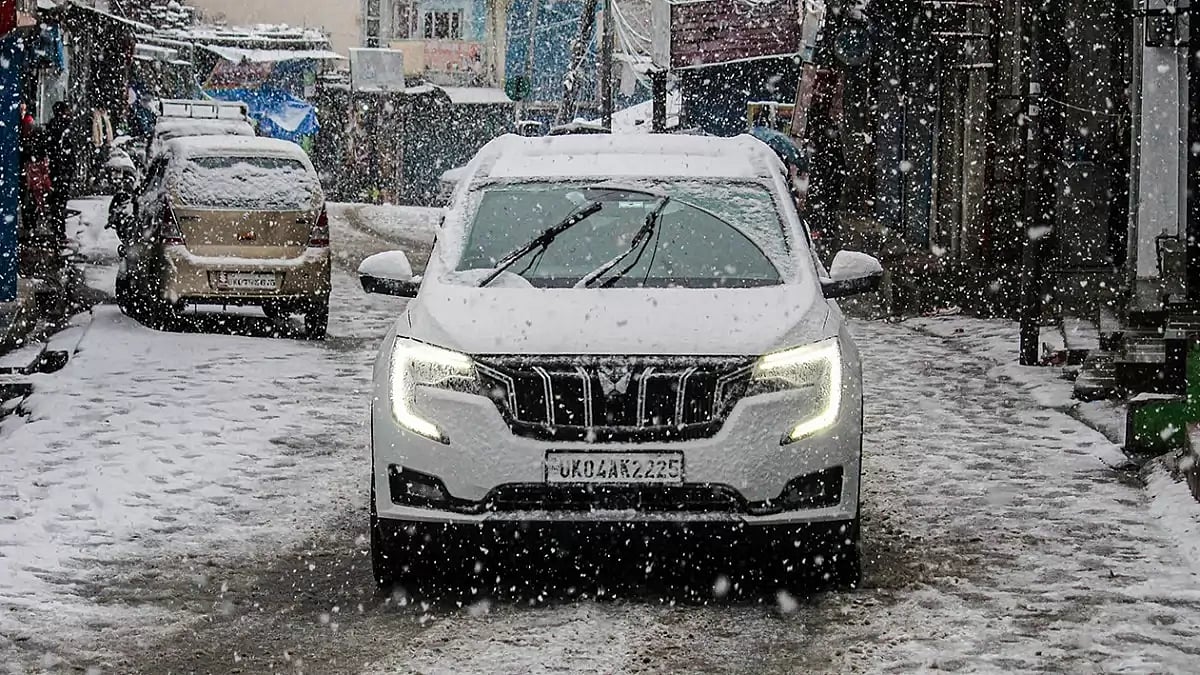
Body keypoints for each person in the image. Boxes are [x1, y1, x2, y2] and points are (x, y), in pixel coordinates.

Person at [45, 101, 77, 245]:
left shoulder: (55, 127)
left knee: (58, 200)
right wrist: (66, 167)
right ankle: (59, 230)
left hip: (58, 169)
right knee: (59, 200)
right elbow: (62, 150)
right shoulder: (61, 128)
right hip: (61, 169)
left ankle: (58, 228)